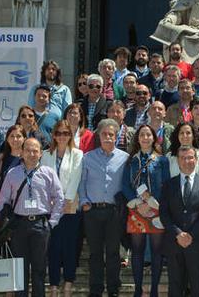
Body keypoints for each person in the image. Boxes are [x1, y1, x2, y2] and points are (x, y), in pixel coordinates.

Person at [0, 138, 64, 297]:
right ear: (21, 152)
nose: (32, 154)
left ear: (41, 153)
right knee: (21, 270)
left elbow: (60, 198)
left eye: (35, 151)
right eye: (28, 150)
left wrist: (52, 222)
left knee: (39, 270)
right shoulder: (13, 173)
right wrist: (4, 223)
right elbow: (2, 200)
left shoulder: (48, 173)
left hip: (41, 225)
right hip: (19, 225)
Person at [79, 119, 130, 297]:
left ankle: (113, 289)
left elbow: (128, 184)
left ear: (116, 137)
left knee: (113, 253)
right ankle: (96, 289)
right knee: (95, 254)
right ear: (99, 136)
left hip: (114, 212)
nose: (108, 137)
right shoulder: (88, 157)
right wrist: (83, 201)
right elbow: (82, 182)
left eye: (111, 134)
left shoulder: (124, 158)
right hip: (92, 211)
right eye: (104, 134)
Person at [121, 125, 171, 297]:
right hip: (136, 209)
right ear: (137, 138)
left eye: (148, 134)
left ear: (153, 138)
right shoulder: (131, 160)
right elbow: (125, 185)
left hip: (156, 209)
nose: (145, 138)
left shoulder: (162, 160)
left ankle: (155, 289)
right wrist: (136, 202)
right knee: (137, 250)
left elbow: (166, 184)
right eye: (142, 135)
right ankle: (138, 288)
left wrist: (151, 202)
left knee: (157, 251)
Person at [160, 146, 199, 296]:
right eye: (183, 158)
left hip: (197, 244)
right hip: (174, 244)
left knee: (197, 288)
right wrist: (178, 234)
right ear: (178, 161)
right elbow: (164, 214)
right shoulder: (168, 185)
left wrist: (190, 235)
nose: (187, 161)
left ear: (196, 160)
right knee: (175, 288)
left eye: (190, 157)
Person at [41, 121, 84, 297]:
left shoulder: (77, 154)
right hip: (50, 206)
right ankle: (53, 284)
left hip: (70, 204)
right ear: (54, 135)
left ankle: (68, 282)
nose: (62, 136)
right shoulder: (45, 155)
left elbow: (75, 178)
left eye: (66, 133)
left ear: (70, 135)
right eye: (58, 133)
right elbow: (43, 179)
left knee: (70, 245)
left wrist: (65, 200)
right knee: (53, 246)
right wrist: (51, 201)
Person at [0, 124, 26, 199]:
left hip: (23, 203)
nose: (15, 139)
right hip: (4, 204)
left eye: (18, 136)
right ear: (7, 139)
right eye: (12, 136)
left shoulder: (28, 158)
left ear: (24, 139)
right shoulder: (1, 158)